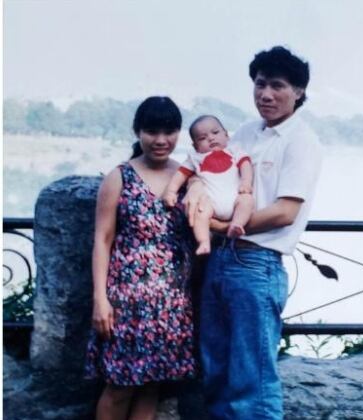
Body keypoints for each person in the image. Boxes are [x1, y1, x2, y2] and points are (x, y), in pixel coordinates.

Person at [195, 46, 323, 419]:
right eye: (260, 84)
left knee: (252, 378)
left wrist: (220, 226)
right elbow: (213, 174)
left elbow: (285, 212)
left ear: (298, 91)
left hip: (257, 264)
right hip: (220, 258)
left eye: (277, 86)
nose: (266, 94)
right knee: (215, 369)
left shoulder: (301, 141)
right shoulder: (247, 133)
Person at [85, 96, 196, 420]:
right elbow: (102, 239)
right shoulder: (120, 176)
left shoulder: (189, 178)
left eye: (169, 131)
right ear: (138, 132)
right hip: (127, 300)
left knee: (151, 386)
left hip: (171, 301)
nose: (161, 140)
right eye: (152, 131)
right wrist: (100, 300)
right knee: (119, 386)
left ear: (178, 133)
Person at [163, 115, 254, 255]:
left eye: (215, 133)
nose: (211, 138)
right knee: (200, 211)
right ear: (195, 146)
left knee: (247, 200)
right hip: (211, 203)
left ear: (226, 135)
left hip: (235, 198)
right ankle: (204, 241)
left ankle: (237, 224)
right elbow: (180, 175)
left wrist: (246, 182)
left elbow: (246, 165)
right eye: (202, 138)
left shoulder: (234, 150)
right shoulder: (195, 158)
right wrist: (171, 191)